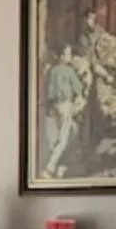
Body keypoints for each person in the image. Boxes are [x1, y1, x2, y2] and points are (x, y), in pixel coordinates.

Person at [43, 44, 87, 176]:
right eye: (68, 53)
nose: (70, 56)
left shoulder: (53, 71)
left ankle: (61, 166)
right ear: (61, 56)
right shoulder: (69, 71)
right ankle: (50, 167)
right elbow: (78, 88)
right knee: (63, 139)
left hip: (55, 106)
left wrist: (50, 106)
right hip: (66, 105)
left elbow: (50, 91)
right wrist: (82, 79)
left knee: (70, 133)